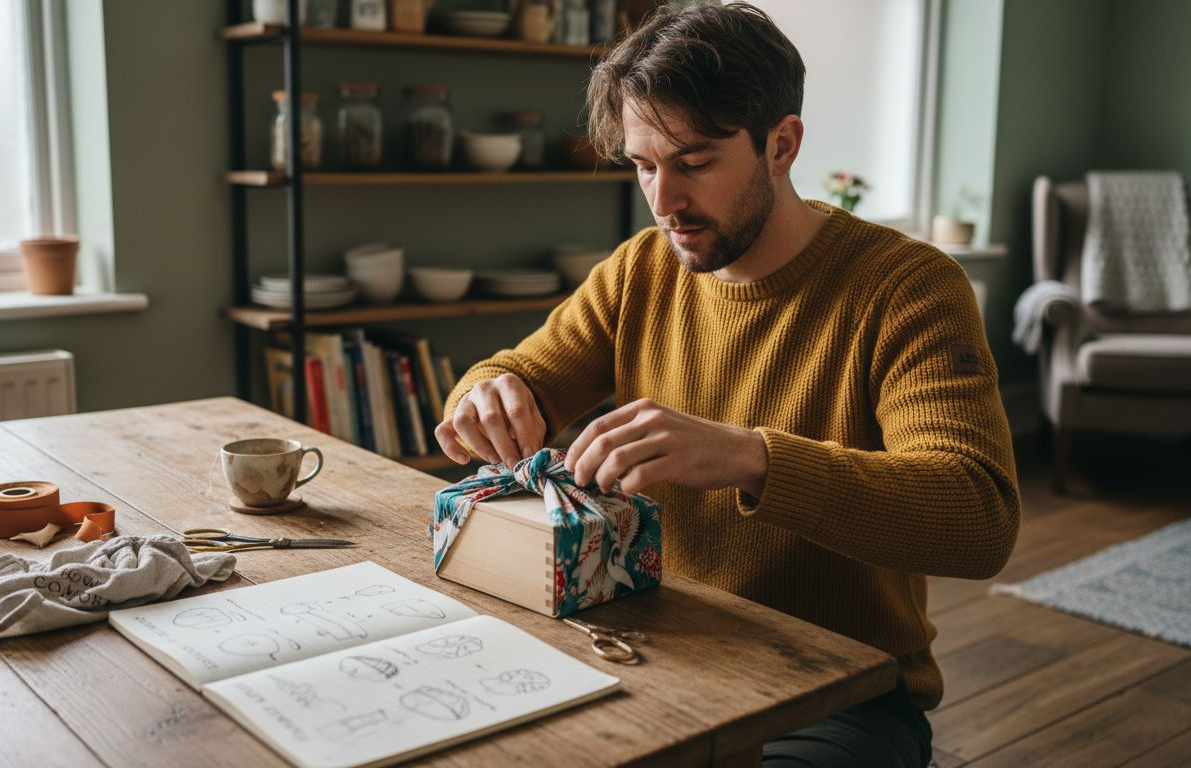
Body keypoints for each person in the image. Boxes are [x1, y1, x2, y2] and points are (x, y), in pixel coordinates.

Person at [433, 2, 1020, 765]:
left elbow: (979, 517)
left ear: (782, 144)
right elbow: (520, 374)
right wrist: (485, 391)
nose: (664, 201)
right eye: (644, 165)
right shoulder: (640, 270)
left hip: (838, 693)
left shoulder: (908, 288)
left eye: (694, 162)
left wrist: (753, 458)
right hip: (642, 647)